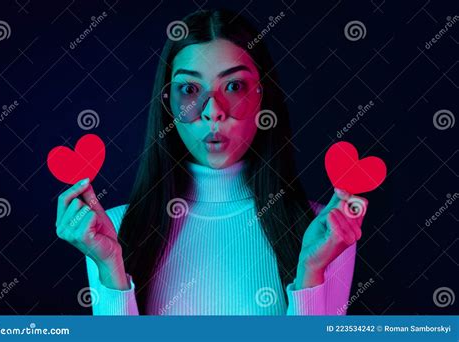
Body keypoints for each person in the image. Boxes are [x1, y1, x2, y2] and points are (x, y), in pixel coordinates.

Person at [55, 8, 368, 315]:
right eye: (190, 89)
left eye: (233, 86)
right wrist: (111, 271)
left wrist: (310, 274)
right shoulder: (113, 228)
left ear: (263, 96)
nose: (212, 111)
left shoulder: (326, 231)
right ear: (168, 103)